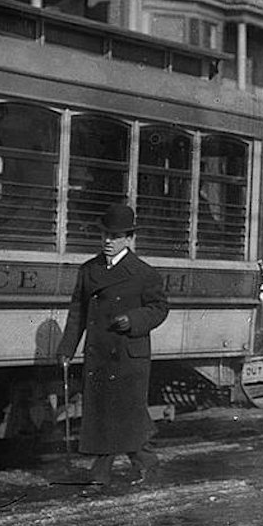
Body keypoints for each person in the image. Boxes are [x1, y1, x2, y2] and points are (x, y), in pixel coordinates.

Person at [57, 204, 169, 494]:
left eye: (116, 236)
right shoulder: (89, 270)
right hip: (99, 352)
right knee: (104, 412)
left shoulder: (144, 273)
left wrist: (133, 319)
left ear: (129, 238)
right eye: (105, 235)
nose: (108, 241)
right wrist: (67, 348)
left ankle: (121, 469)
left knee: (126, 412)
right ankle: (131, 466)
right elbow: (77, 311)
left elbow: (159, 308)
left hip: (128, 354)